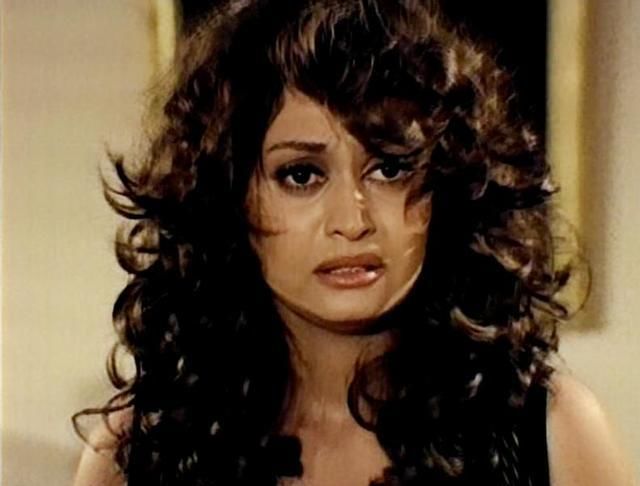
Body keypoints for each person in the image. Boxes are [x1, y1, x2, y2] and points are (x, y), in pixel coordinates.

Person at [73, 1, 633, 485]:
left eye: (389, 168)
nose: (352, 220)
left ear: (446, 187)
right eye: (301, 175)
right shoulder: (140, 448)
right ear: (228, 197)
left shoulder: (551, 432)